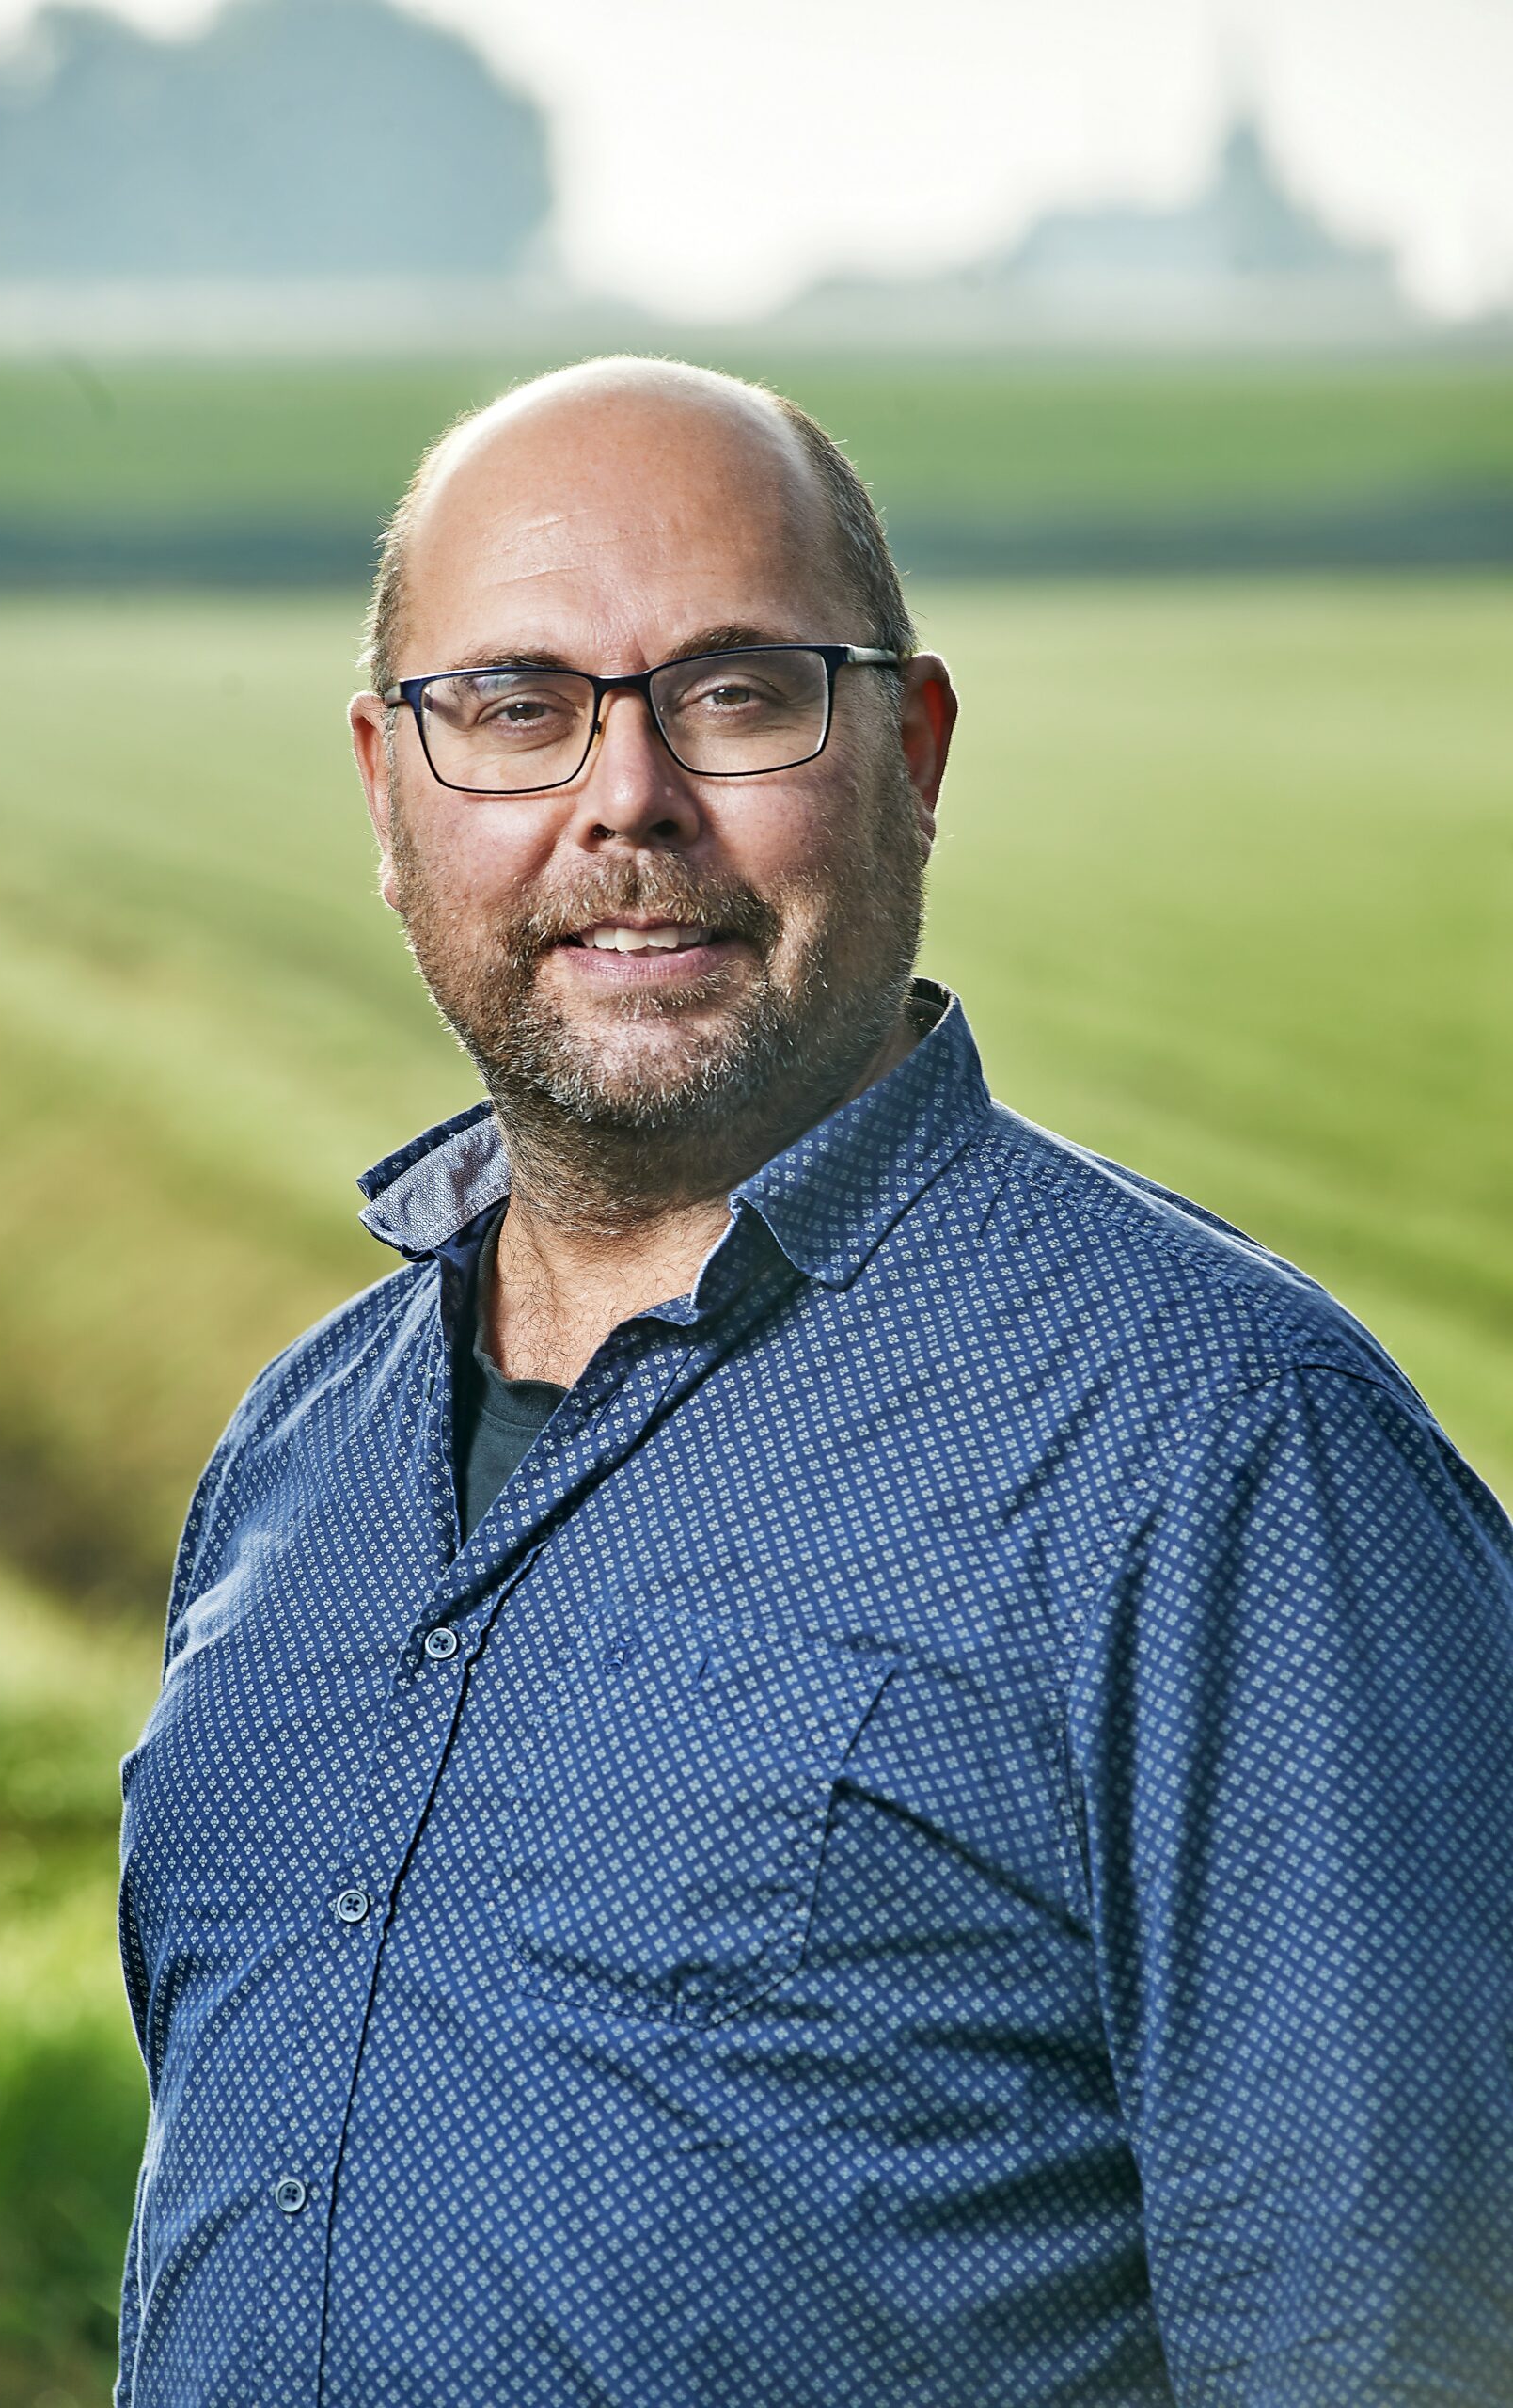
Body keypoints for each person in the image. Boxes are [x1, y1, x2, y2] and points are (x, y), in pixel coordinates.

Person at [115, 356, 1513, 2407]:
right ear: (387, 793)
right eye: (514, 706)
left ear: (914, 750)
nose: (626, 800)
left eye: (739, 691)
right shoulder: (293, 1463)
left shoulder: (1225, 1454)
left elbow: (1396, 2339)